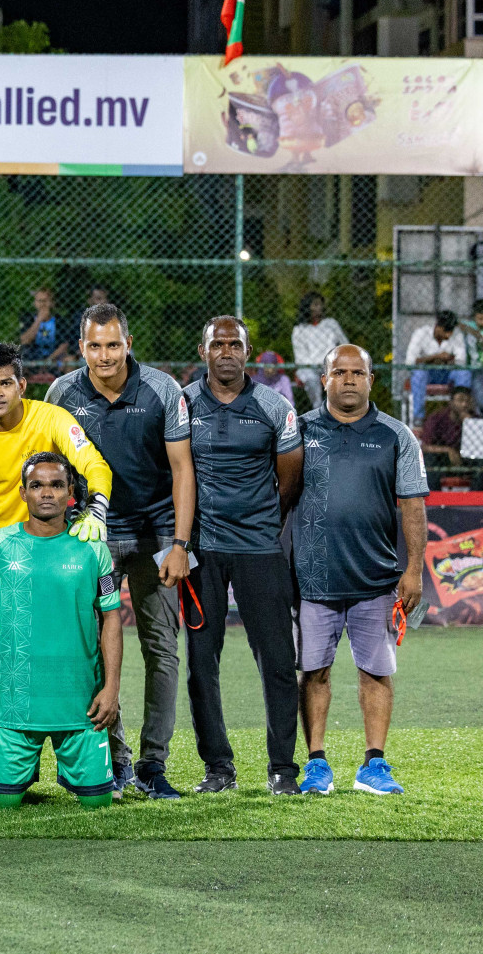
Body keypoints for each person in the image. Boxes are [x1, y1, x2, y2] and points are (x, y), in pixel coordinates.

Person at [0, 341, 113, 793]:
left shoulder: (50, 419)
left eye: (5, 383)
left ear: (22, 384)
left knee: (70, 651)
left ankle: (85, 751)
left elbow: (93, 462)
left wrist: (97, 510)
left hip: (53, 557)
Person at [46, 304, 194, 800]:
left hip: (157, 537)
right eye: (94, 345)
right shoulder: (62, 393)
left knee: (162, 649)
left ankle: (154, 764)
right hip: (93, 539)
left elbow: (181, 471)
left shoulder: (162, 390)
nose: (104, 355)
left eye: (113, 344)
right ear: (82, 347)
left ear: (128, 344)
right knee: (90, 649)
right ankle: (114, 759)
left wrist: (180, 545)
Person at [291, 345, 428, 796]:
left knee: (375, 672)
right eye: (339, 372)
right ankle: (316, 763)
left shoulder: (395, 435)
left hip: (376, 579)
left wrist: (413, 571)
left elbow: (411, 505)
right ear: (323, 379)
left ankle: (374, 764)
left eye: (358, 372)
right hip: (313, 580)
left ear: (372, 379)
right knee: (314, 672)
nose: (348, 379)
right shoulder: (300, 431)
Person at [183, 316, 304, 795]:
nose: (227, 352)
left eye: (236, 345)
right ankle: (218, 767)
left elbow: (290, 477)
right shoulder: (183, 403)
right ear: (204, 350)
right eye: (219, 344)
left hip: (260, 549)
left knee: (277, 659)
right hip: (201, 553)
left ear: (248, 352)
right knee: (200, 664)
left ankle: (282, 770)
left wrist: (263, 522)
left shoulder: (274, 405)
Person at [0, 453, 123, 810]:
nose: (46, 493)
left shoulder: (92, 546)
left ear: (71, 494)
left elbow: (112, 618)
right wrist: (0, 615)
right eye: (36, 485)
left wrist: (111, 689)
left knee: (98, 803)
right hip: (18, 705)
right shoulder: (1, 543)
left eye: (56, 485)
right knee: (3, 804)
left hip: (80, 703)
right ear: (23, 493)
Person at [405, 310, 475, 423]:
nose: (449, 335)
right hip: (427, 372)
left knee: (464, 373)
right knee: (418, 374)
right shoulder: (421, 333)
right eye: (446, 331)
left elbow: (461, 361)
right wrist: (434, 357)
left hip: (447, 372)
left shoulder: (457, 334)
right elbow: (410, 362)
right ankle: (418, 417)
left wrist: (447, 360)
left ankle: (461, 412)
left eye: (451, 331)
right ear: (438, 326)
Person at [290, 292, 346, 409]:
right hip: (309, 366)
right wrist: (317, 364)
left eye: (320, 304)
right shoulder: (299, 329)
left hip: (331, 364)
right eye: (315, 304)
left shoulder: (331, 324)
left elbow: (344, 344)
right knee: (310, 378)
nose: (319, 307)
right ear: (307, 307)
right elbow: (300, 356)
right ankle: (318, 408)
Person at [420, 384, 475, 468]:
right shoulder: (437, 418)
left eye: (467, 401)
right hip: (443, 457)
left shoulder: (475, 419)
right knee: (429, 458)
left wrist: (470, 424)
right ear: (451, 402)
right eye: (460, 400)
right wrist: (448, 450)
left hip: (468, 458)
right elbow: (425, 447)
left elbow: (478, 447)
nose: (464, 404)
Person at [18, 287, 74, 368]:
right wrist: (39, 320)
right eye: (40, 301)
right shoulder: (28, 318)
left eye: (46, 301)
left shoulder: (60, 320)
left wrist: (48, 360)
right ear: (34, 303)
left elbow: (64, 345)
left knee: (70, 360)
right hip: (32, 358)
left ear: (52, 303)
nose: (43, 304)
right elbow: (24, 341)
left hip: (54, 358)